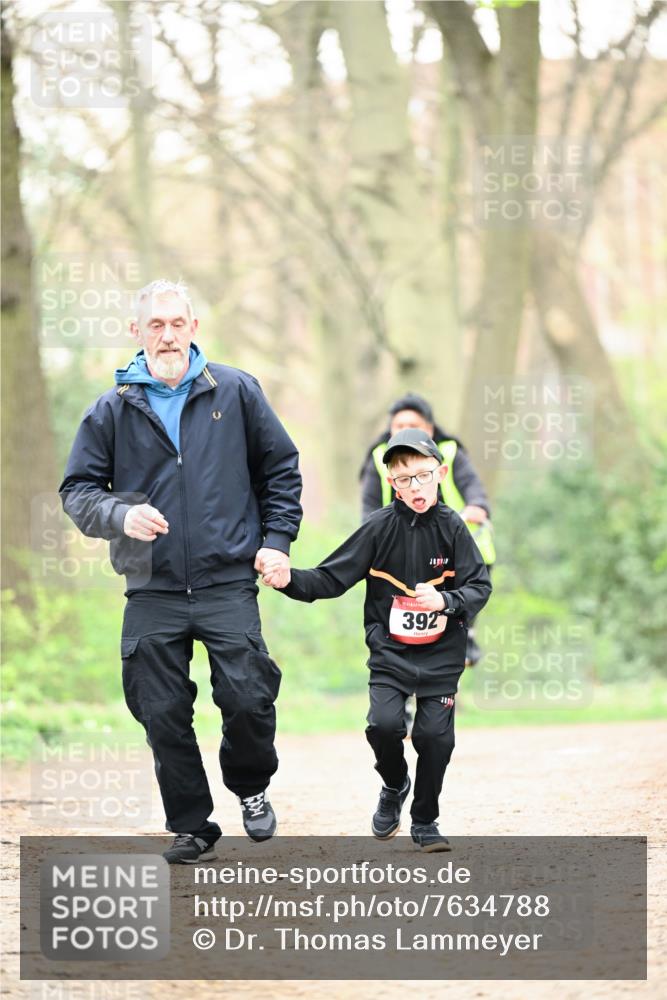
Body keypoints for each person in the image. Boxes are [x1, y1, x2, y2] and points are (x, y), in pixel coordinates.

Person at [60, 279, 302, 864]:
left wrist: (276, 542)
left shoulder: (237, 391)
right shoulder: (111, 409)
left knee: (247, 698)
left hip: (227, 580)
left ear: (194, 328)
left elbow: (281, 473)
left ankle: (251, 786)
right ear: (136, 333)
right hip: (152, 588)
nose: (167, 336)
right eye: (155, 326)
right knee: (161, 710)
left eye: (176, 324)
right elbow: (78, 490)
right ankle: (192, 823)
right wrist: (120, 513)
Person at [263, 428, 491, 851]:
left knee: (434, 739)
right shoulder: (378, 528)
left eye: (423, 475)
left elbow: (479, 587)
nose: (415, 486)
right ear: (391, 484)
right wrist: (287, 579)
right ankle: (394, 784)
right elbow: (330, 578)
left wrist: (445, 599)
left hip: (442, 654)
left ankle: (425, 821)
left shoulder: (454, 528)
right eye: (404, 479)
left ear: (440, 473)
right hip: (390, 652)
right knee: (383, 726)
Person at [360, 392, 495, 667]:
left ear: (430, 430)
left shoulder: (450, 452)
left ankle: (464, 632)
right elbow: (369, 507)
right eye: (399, 426)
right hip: (406, 550)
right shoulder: (379, 458)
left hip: (457, 547)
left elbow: (473, 487)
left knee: (464, 593)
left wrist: (477, 506)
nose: (406, 431)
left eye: (415, 425)